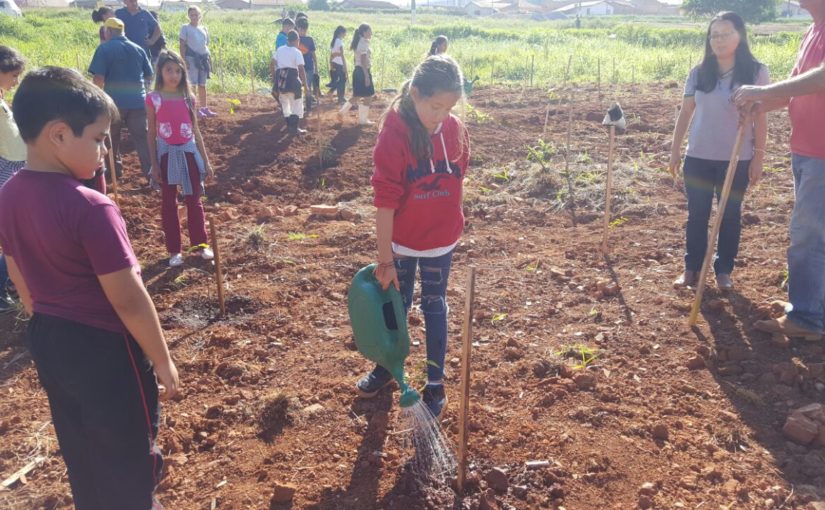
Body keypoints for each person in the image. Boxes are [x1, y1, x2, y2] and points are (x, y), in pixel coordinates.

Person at [0, 65, 179, 510]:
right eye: (99, 139)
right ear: (59, 135)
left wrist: (45, 319)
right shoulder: (92, 208)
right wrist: (162, 360)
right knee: (128, 450)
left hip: (48, 338)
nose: (106, 150)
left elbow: (18, 273)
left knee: (79, 444)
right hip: (106, 350)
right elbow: (129, 299)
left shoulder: (8, 195)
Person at [356, 55, 471, 419]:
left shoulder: (454, 130)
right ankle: (388, 366)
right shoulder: (394, 133)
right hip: (402, 242)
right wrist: (385, 259)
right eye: (435, 107)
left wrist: (448, 218)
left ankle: (435, 383)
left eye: (449, 108)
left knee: (434, 304)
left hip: (441, 240)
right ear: (416, 94)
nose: (441, 116)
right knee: (397, 304)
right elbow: (384, 201)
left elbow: (458, 178)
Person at [734, 0, 825, 340]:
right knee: (813, 234)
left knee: (808, 235)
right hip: (806, 148)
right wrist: (761, 105)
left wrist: (762, 90)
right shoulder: (813, 31)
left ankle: (808, 319)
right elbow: (797, 87)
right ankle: (810, 305)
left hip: (822, 154)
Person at [669, 11, 769, 291]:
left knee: (730, 215)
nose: (719, 40)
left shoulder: (756, 72)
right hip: (698, 157)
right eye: (714, 35)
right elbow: (686, 113)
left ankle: (724, 270)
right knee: (697, 214)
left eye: (726, 34)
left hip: (736, 159)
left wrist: (759, 157)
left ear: (740, 36)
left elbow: (761, 118)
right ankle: (691, 268)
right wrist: (675, 149)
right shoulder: (698, 73)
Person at [146, 50, 214, 268]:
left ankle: (200, 245)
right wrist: (154, 164)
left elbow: (196, 131)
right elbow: (151, 133)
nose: (174, 75)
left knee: (194, 199)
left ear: (183, 73)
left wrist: (206, 160)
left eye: (177, 71)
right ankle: (174, 250)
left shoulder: (188, 99)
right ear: (160, 72)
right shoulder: (153, 99)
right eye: (169, 70)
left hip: (188, 152)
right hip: (166, 154)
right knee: (169, 202)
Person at [89, 17, 154, 185]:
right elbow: (149, 75)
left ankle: (114, 172)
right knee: (143, 140)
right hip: (138, 102)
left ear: (108, 31)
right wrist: (143, 91)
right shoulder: (138, 49)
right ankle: (152, 175)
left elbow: (98, 78)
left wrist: (96, 98)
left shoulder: (104, 49)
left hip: (114, 104)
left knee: (112, 140)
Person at [0, 46, 25, 312]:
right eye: (13, 75)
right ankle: (5, 286)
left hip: (14, 166)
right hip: (7, 169)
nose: (16, 81)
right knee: (14, 232)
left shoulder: (1, 100)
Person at [179, 6, 216, 118]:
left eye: (196, 15)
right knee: (193, 85)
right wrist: (184, 60)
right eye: (192, 15)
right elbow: (182, 45)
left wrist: (209, 60)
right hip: (191, 58)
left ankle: (204, 108)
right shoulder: (185, 28)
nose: (194, 17)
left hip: (203, 59)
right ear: (188, 16)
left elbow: (205, 45)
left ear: (200, 15)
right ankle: (193, 109)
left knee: (202, 85)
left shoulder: (204, 28)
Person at [272, 30, 309, 135]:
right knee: (296, 105)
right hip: (293, 81)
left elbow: (272, 64)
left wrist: (275, 78)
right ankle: (294, 129)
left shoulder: (280, 50)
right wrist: (306, 85)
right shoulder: (297, 52)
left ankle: (290, 127)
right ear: (297, 40)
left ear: (288, 40)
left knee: (285, 104)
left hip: (281, 81)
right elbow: (301, 69)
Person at [116, 0, 164, 66]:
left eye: (135, 1)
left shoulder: (145, 13)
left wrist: (152, 40)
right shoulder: (119, 13)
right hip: (124, 52)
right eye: (131, 1)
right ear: (125, 2)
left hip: (142, 52)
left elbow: (158, 28)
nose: (134, 3)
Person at [348, 23, 375, 125]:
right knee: (368, 96)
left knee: (357, 96)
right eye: (369, 31)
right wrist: (366, 75)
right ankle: (363, 121)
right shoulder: (363, 43)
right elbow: (363, 60)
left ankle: (341, 112)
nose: (371, 33)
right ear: (364, 32)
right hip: (363, 71)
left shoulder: (360, 41)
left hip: (358, 70)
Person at [296, 16, 319, 112]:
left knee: (307, 86)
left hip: (309, 66)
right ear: (297, 27)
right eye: (301, 29)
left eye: (304, 29)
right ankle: (299, 106)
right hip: (297, 67)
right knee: (297, 87)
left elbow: (313, 54)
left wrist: (316, 67)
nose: (303, 31)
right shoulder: (295, 38)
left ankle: (308, 106)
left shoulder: (310, 39)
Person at [326, 25, 348, 107]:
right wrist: (344, 65)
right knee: (342, 80)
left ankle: (338, 95)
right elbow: (342, 54)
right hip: (339, 63)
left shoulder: (334, 41)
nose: (345, 35)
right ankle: (340, 97)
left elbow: (332, 54)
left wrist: (331, 63)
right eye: (345, 33)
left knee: (341, 80)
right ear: (341, 33)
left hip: (335, 62)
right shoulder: (339, 41)